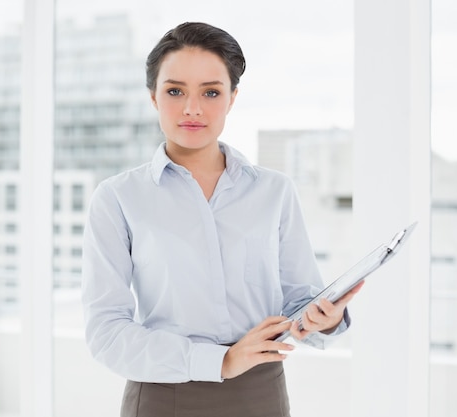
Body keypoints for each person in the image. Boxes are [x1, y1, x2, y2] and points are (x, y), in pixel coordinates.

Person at [81, 21, 363, 417]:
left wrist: (324, 318)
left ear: (232, 98)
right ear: (153, 97)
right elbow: (106, 332)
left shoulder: (274, 191)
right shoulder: (118, 198)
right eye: (175, 91)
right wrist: (220, 362)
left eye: (211, 92)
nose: (192, 108)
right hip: (164, 394)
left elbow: (300, 299)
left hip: (259, 391)